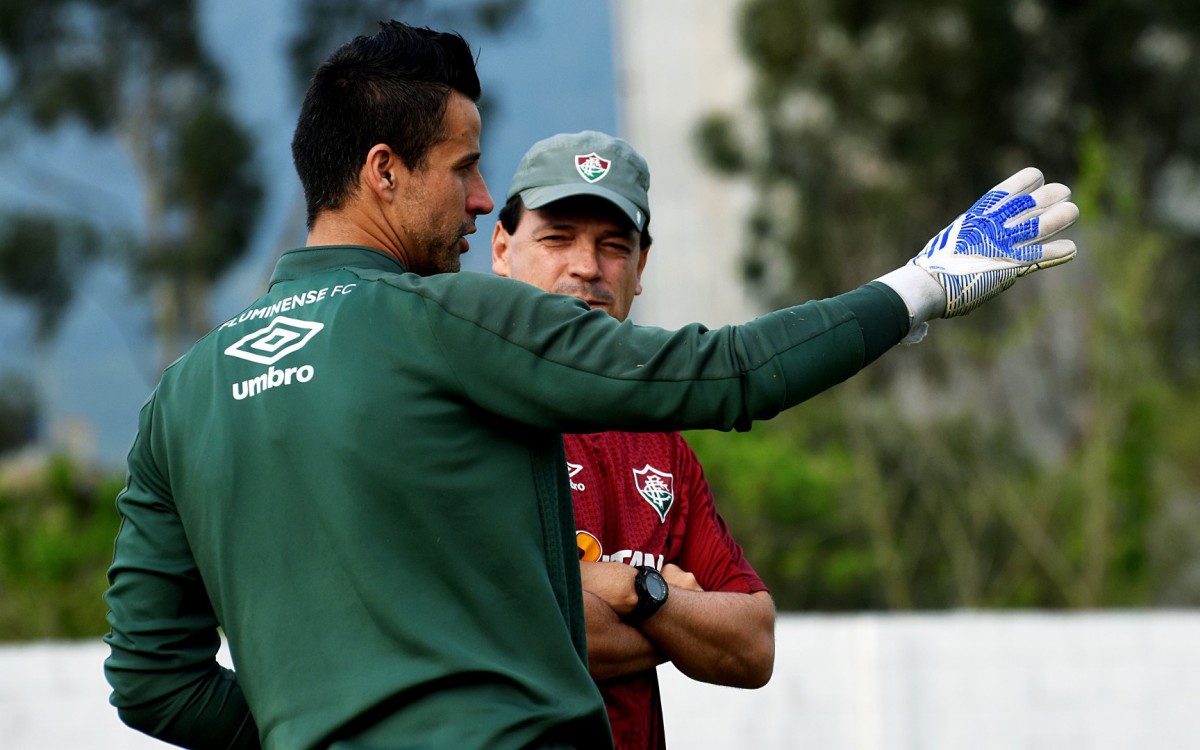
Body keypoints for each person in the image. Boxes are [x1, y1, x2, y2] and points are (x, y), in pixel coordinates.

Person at [102, 19, 1080, 750]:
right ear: (384, 173)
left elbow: (151, 679)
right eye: (466, 169)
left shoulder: (180, 400)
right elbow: (726, 373)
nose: (481, 197)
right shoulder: (447, 316)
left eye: (613, 242)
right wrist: (916, 289)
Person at [491, 131, 774, 750]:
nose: (587, 268)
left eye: (614, 246)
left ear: (640, 268)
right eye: (557, 237)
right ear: (501, 247)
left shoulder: (661, 442)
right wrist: (674, 606)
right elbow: (508, 629)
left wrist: (639, 592)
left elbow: (752, 645)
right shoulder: (464, 414)